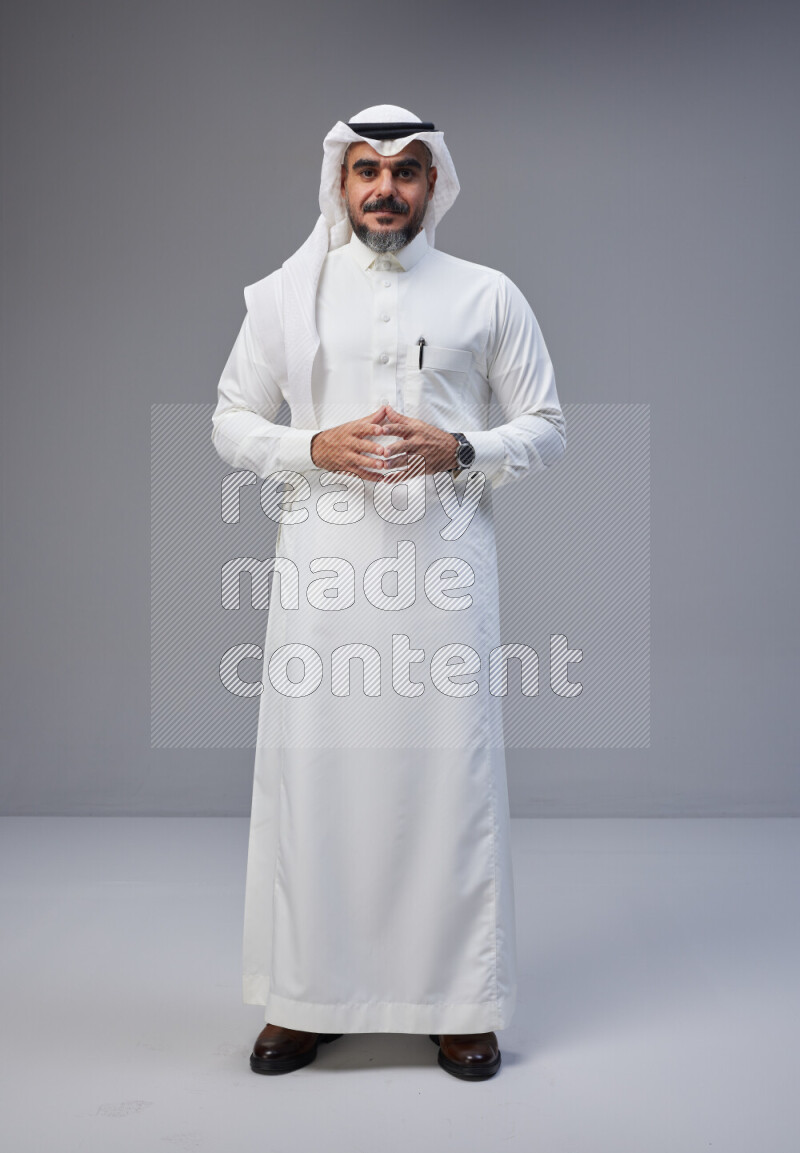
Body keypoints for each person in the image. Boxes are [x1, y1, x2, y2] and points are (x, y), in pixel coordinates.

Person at [211, 104, 566, 1081]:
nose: (383, 187)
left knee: (445, 782)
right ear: (338, 181)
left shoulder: (485, 294)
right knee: (318, 778)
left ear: (432, 183)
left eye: (405, 170)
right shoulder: (286, 297)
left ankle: (458, 1003)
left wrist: (461, 447)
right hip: (322, 575)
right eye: (365, 169)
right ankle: (306, 998)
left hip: (444, 580)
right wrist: (308, 445)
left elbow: (544, 423)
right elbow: (230, 419)